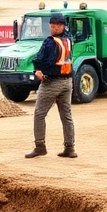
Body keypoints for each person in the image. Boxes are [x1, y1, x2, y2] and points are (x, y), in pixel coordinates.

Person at [25, 12, 76, 158]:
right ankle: (70, 148)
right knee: (66, 116)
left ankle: (40, 146)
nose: (52, 29)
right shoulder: (68, 39)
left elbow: (43, 59)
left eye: (54, 26)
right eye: (51, 26)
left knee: (39, 115)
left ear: (61, 26)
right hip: (67, 82)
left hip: (52, 82)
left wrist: (38, 69)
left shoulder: (50, 41)